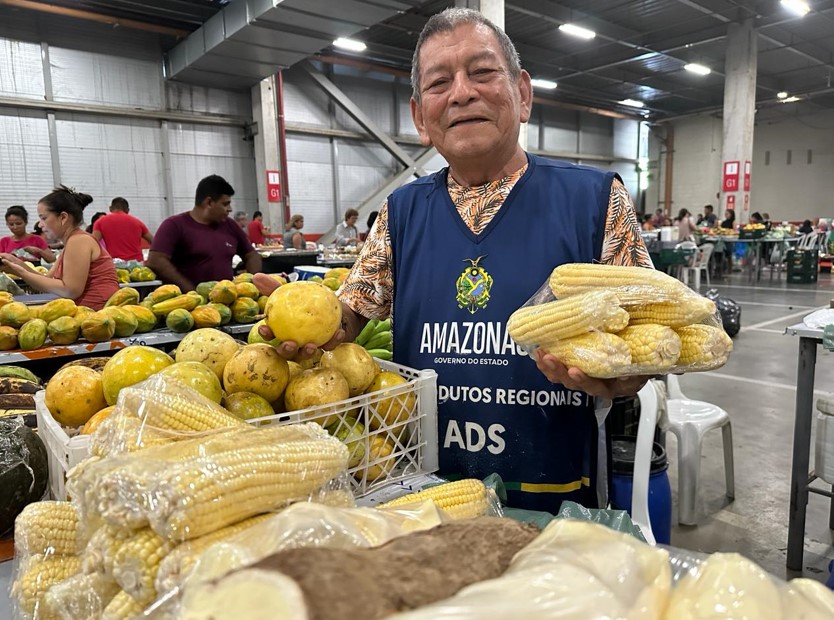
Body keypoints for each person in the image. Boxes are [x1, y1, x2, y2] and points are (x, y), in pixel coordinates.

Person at [254, 8, 650, 513]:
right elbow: (351, 313)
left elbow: (644, 342)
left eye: (482, 73)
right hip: (423, 488)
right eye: (440, 82)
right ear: (421, 118)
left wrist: (621, 378)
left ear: (523, 94)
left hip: (556, 492)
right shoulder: (400, 211)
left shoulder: (596, 201)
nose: (462, 92)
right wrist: (312, 330)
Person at [0, 187, 119, 309]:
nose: (40, 225)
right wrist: (15, 263)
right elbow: (47, 280)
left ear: (63, 217)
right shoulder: (71, 243)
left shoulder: (79, 241)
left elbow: (70, 290)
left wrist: (21, 272)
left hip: (98, 315)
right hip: (88, 314)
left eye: (44, 218)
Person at [146, 175, 262, 291]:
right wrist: (190, 291)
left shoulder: (230, 226)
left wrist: (251, 283)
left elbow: (251, 255)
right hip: (188, 305)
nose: (230, 209)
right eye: (225, 204)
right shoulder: (174, 225)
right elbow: (156, 260)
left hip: (225, 303)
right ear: (209, 202)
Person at [91, 198, 153, 262]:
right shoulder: (138, 222)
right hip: (137, 264)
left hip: (115, 263)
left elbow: (93, 243)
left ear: (110, 208)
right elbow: (153, 241)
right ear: (127, 210)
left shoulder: (100, 222)